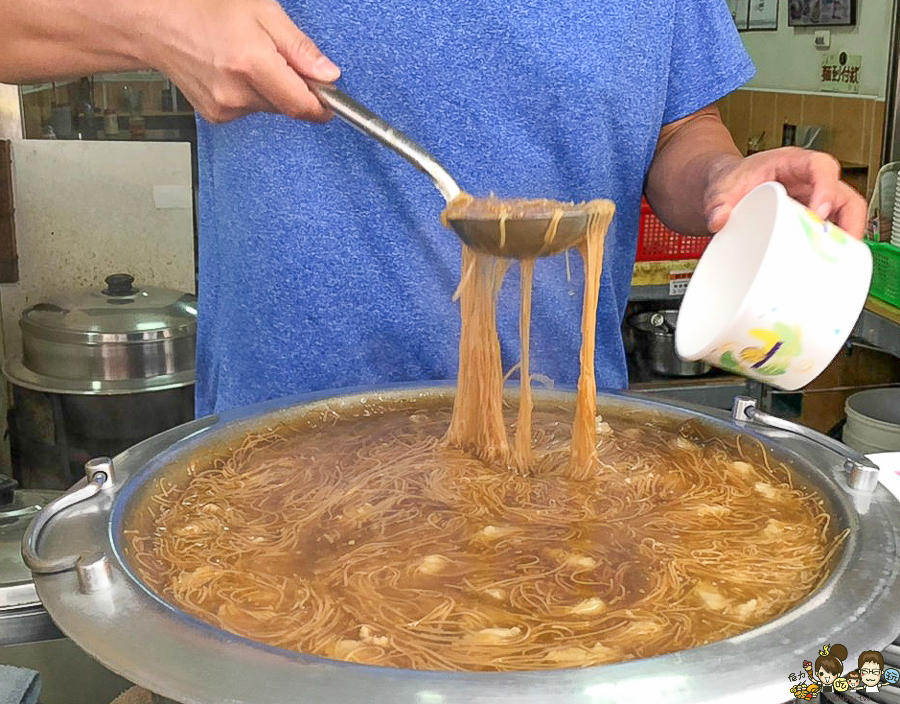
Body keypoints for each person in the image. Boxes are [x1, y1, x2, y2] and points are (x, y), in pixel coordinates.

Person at [2, 0, 868, 416]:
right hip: (280, 447)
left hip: (560, 438)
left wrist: (723, 178)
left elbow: (685, 124)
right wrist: (159, 23)